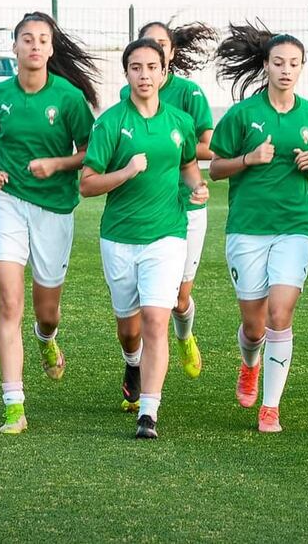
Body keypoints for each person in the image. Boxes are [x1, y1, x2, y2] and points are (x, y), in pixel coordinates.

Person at [82, 37, 207, 440]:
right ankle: (131, 362)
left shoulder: (179, 123)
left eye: (152, 67)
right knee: (129, 328)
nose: (145, 75)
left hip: (167, 235)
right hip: (119, 236)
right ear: (127, 74)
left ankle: (148, 413)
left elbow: (189, 166)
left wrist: (197, 187)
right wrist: (126, 172)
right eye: (136, 68)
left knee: (156, 319)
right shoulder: (110, 122)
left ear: (164, 72)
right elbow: (87, 185)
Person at [0, 11, 97, 433]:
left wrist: (57, 164)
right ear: (14, 47)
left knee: (46, 313)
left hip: (55, 208)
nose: (33, 46)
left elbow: (90, 151)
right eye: (26, 39)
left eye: (41, 39)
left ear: (50, 48)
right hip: (7, 202)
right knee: (9, 302)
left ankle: (46, 340)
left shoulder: (68, 98)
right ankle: (14, 405)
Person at [209, 23, 308, 432]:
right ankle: (249, 365)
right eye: (278, 62)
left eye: (294, 64)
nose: (286, 70)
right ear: (265, 65)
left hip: (295, 226)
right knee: (254, 324)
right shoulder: (243, 115)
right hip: (247, 228)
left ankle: (271, 407)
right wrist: (248, 159)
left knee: (281, 314)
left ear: (301, 69)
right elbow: (215, 168)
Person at [119, 21, 217, 380]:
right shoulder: (125, 97)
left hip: (185, 206)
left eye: (160, 47)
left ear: (169, 56)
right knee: (142, 311)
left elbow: (207, 148)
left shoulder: (189, 94)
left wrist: (178, 159)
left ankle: (185, 336)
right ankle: (136, 368)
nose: (146, 70)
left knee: (178, 299)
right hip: (141, 210)